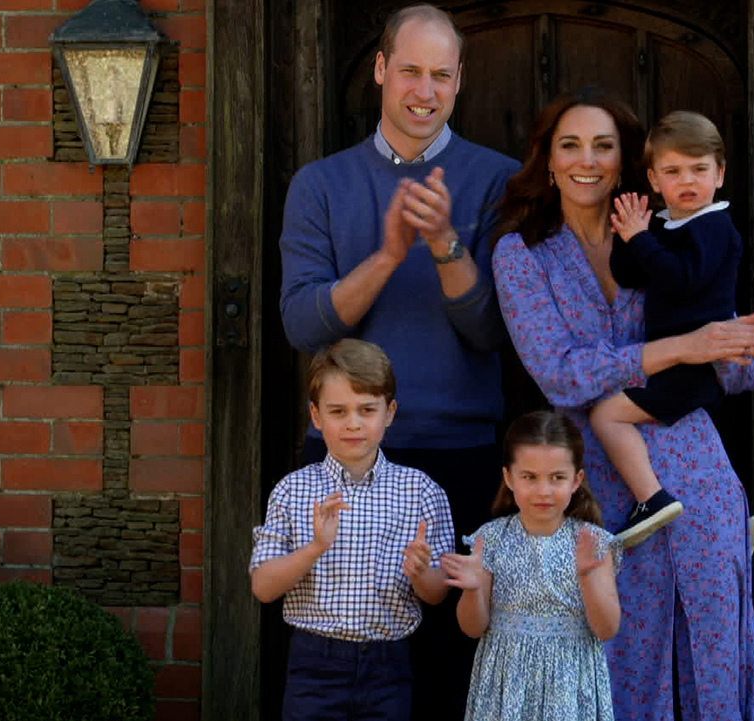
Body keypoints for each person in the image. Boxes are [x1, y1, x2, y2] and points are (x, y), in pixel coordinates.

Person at [491, 87, 754, 721]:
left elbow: (735, 364)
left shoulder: (671, 234)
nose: (586, 159)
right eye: (570, 145)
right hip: (594, 479)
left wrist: (739, 349)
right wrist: (684, 347)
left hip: (695, 463)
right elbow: (562, 375)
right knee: (617, 656)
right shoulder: (521, 256)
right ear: (549, 160)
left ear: (624, 163)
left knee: (713, 644)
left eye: (603, 146)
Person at [276, 4, 519, 715]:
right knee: (348, 662)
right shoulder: (320, 185)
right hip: (345, 457)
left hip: (461, 454)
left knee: (452, 665)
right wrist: (386, 255)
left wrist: (444, 243)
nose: (425, 88)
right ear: (381, 70)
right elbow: (301, 322)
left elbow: (492, 331)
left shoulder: (496, 181)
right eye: (410, 69)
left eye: (441, 74)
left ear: (460, 81)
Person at [248, 338, 455, 721]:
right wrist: (314, 548)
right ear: (316, 416)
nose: (354, 423)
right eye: (338, 411)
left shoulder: (421, 491)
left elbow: (437, 595)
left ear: (389, 412)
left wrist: (421, 572)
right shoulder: (293, 490)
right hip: (314, 663)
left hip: (388, 665)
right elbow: (262, 587)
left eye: (367, 409)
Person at [592, 110, 751, 547]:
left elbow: (682, 280)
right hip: (672, 360)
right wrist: (629, 233)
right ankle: (723, 523)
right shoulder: (667, 224)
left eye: (699, 169)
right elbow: (630, 274)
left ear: (719, 174)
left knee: (606, 415)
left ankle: (652, 499)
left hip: (694, 367)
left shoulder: (716, 227)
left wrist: (642, 239)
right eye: (673, 171)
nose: (688, 181)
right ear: (654, 179)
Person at [440, 411, 622, 721]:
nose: (544, 491)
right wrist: (472, 591)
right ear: (509, 477)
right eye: (530, 477)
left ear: (576, 480)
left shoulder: (593, 543)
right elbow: (472, 628)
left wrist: (588, 576)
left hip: (570, 685)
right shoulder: (491, 539)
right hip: (505, 683)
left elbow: (606, 629)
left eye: (557, 477)